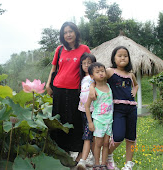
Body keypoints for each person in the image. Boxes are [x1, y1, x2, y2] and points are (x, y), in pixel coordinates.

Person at [46, 21, 91, 163]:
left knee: (76, 122)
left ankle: (78, 155)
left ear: (76, 33)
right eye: (65, 32)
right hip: (58, 90)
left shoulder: (84, 49)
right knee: (59, 122)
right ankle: (62, 153)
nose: (68, 34)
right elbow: (53, 69)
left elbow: (90, 68)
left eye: (70, 31)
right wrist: (48, 84)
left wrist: (93, 86)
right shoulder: (59, 49)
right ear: (62, 35)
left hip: (75, 92)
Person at [90, 46, 138, 170]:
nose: (123, 57)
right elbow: (97, 78)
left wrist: (135, 89)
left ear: (129, 58)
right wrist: (91, 88)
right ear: (113, 58)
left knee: (131, 138)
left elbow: (136, 85)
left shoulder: (131, 74)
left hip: (132, 109)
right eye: (119, 55)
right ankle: (108, 154)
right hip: (117, 109)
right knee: (118, 137)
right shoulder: (110, 71)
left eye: (125, 55)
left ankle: (128, 165)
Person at [85, 62, 113, 170]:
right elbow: (87, 107)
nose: (101, 74)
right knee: (98, 143)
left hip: (109, 120)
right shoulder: (93, 91)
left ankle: (104, 163)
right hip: (98, 120)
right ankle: (96, 163)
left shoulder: (109, 86)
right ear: (92, 76)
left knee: (106, 143)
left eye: (102, 71)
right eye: (97, 72)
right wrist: (90, 122)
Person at [76, 53, 97, 170]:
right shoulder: (83, 78)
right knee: (91, 136)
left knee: (88, 136)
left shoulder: (94, 78)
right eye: (84, 63)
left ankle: (83, 161)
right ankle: (96, 160)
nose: (86, 65)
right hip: (83, 111)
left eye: (89, 63)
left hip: (93, 110)